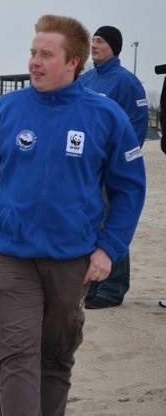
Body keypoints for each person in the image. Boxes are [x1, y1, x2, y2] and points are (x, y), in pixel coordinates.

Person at [0, 14, 146, 415]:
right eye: (32, 52)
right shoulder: (5, 111)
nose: (34, 62)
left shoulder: (106, 116)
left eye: (46, 54)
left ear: (73, 61)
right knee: (16, 354)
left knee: (55, 358)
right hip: (12, 255)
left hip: (73, 259)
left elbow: (129, 189)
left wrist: (109, 247)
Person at [80, 25, 149, 309]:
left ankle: (114, 287)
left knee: (113, 224)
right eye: (93, 40)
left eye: (100, 41)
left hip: (112, 169)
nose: (94, 45)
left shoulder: (127, 82)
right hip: (87, 168)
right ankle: (96, 282)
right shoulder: (85, 79)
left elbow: (137, 127)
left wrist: (118, 164)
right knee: (92, 222)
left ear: (114, 47)